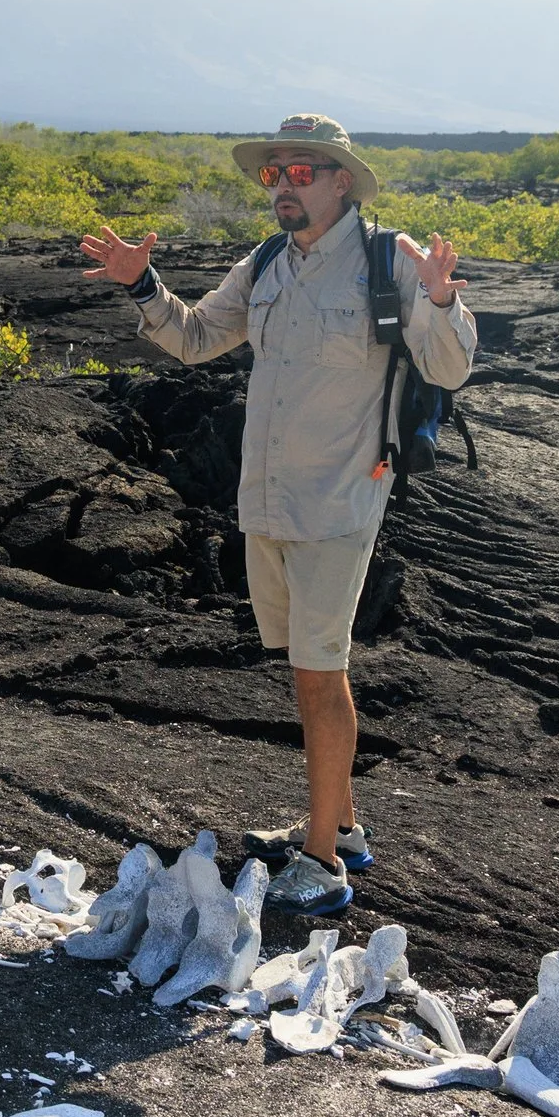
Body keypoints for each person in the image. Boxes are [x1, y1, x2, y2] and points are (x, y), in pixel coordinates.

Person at [79, 114, 476, 915]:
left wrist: (439, 297)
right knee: (308, 667)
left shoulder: (387, 262)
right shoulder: (265, 262)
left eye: (301, 172)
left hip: (338, 501)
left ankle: (323, 862)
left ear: (341, 180)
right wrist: (142, 284)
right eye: (274, 174)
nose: (283, 187)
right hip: (268, 498)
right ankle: (343, 825)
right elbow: (198, 337)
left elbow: (450, 366)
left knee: (321, 672)